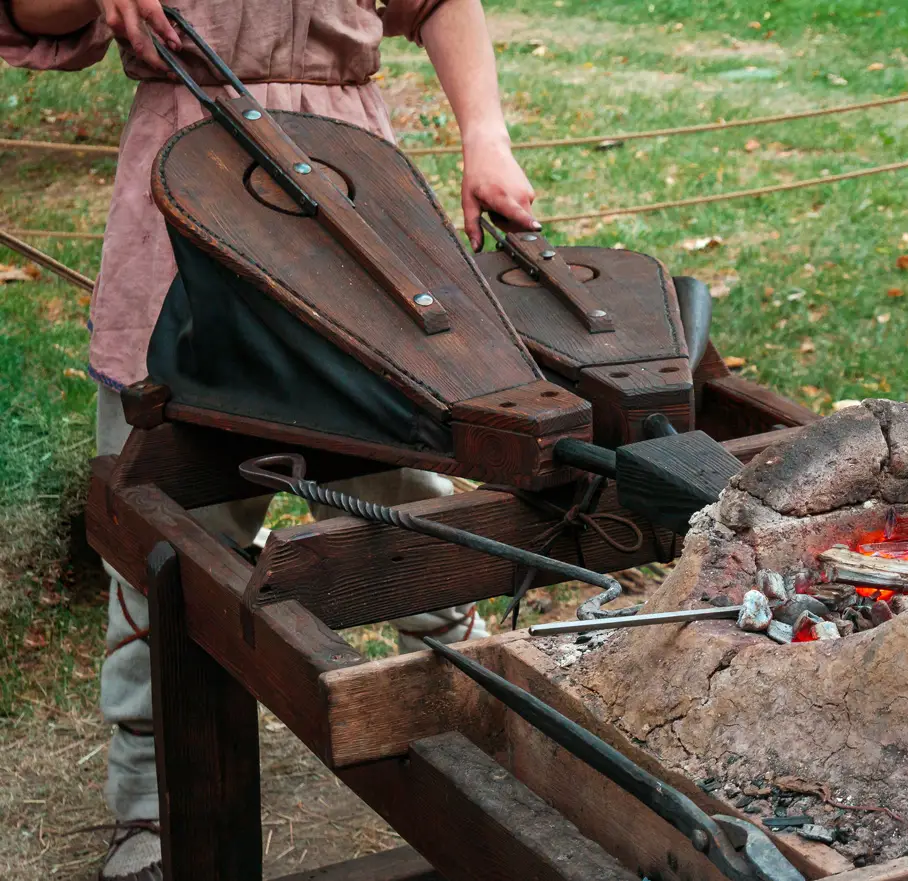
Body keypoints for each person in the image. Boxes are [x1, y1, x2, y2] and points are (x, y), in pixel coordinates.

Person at [1, 2, 538, 878]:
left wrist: (487, 136)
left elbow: (438, 4)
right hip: (185, 196)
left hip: (352, 204)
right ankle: (156, 811)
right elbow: (35, 13)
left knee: (418, 503)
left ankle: (472, 752)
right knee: (165, 532)